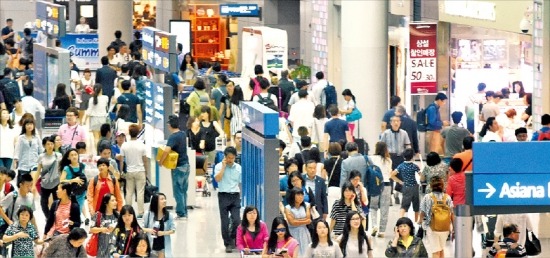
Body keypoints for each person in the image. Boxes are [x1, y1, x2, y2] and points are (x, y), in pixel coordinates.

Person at [158, 115, 189, 219]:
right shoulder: (183, 134)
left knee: (178, 191)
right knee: (184, 190)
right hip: (186, 165)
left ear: (170, 125)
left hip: (178, 167)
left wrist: (161, 161)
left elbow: (166, 150)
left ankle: (181, 213)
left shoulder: (173, 137)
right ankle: (184, 211)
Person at [214, 146, 242, 253]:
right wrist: (223, 168)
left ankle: (232, 237)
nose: (230, 160)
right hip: (223, 195)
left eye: (232, 158)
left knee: (237, 220)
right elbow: (217, 179)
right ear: (225, 157)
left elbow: (240, 182)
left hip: (235, 195)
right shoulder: (218, 166)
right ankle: (227, 244)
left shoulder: (238, 168)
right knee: (224, 222)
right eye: (228, 158)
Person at [417, 176, 454, 258]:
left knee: (435, 251)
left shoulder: (427, 197)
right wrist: (453, 227)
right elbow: (452, 213)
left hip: (432, 227)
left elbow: (422, 211)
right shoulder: (447, 197)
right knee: (441, 249)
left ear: (431, 186)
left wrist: (419, 221)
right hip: (445, 227)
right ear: (442, 186)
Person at [368, 141, 393, 238]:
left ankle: (374, 225)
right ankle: (382, 231)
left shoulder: (371, 158)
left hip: (375, 185)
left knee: (373, 206)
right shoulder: (388, 160)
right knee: (384, 208)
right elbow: (389, 172)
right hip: (386, 184)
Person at [391, 148, 421, 219]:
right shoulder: (415, 166)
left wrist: (399, 181)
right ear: (412, 157)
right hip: (414, 187)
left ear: (404, 157)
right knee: (416, 206)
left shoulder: (401, 166)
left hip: (406, 187)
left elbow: (392, 175)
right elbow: (421, 177)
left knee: (404, 206)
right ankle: (416, 222)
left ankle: (400, 220)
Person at [142, 193, 176, 258]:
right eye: (162, 199)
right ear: (155, 201)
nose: (164, 201)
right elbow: (141, 228)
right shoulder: (148, 214)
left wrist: (163, 233)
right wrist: (149, 230)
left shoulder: (169, 215)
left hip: (163, 247)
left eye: (165, 199)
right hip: (151, 247)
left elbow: (173, 230)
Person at [36, 136, 62, 219]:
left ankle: (56, 217)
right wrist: (33, 183)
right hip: (45, 183)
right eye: (48, 144)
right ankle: (48, 217)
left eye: (51, 144)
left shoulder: (58, 155)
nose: (50, 146)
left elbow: (61, 170)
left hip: (56, 182)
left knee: (57, 201)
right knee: (43, 203)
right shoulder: (41, 156)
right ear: (44, 146)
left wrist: (62, 182)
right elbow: (38, 170)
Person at [89, 193, 120, 258]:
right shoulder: (98, 215)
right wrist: (102, 229)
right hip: (101, 249)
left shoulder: (118, 216)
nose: (115, 202)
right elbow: (91, 229)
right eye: (112, 200)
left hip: (114, 249)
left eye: (115, 200)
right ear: (106, 202)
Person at [14, 118, 43, 184]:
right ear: (24, 126)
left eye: (31, 124)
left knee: (33, 182)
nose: (29, 126)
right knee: (24, 184)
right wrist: (16, 159)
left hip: (35, 163)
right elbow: (17, 149)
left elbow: (41, 150)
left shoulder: (36, 137)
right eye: (27, 124)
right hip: (23, 164)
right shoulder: (21, 138)